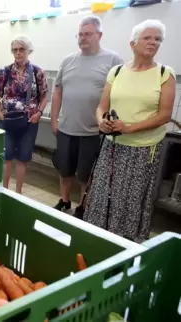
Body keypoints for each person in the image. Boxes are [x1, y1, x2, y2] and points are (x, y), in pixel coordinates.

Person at [84, 19, 175, 242]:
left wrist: (129, 128)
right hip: (113, 148)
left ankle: (124, 242)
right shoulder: (116, 72)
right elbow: (102, 107)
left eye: (157, 39)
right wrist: (101, 121)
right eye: (148, 38)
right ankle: (97, 237)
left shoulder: (165, 73)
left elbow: (164, 115)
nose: (153, 42)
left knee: (131, 201)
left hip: (143, 151)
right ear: (133, 43)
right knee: (103, 195)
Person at [50, 16, 124, 213]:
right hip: (67, 128)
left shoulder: (113, 60)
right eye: (80, 34)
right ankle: (64, 201)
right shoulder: (68, 60)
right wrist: (54, 120)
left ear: (99, 35)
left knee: (86, 174)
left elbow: (119, 93)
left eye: (88, 34)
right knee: (64, 169)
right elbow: (57, 91)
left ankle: (84, 206)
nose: (83, 38)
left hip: (93, 132)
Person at [0, 36, 48, 194]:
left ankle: (18, 192)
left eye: (21, 49)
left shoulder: (37, 72)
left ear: (28, 51)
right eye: (15, 50)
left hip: (29, 121)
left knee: (23, 157)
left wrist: (39, 113)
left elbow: (44, 96)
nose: (18, 53)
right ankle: (4, 190)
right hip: (7, 120)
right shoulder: (5, 71)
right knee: (6, 156)